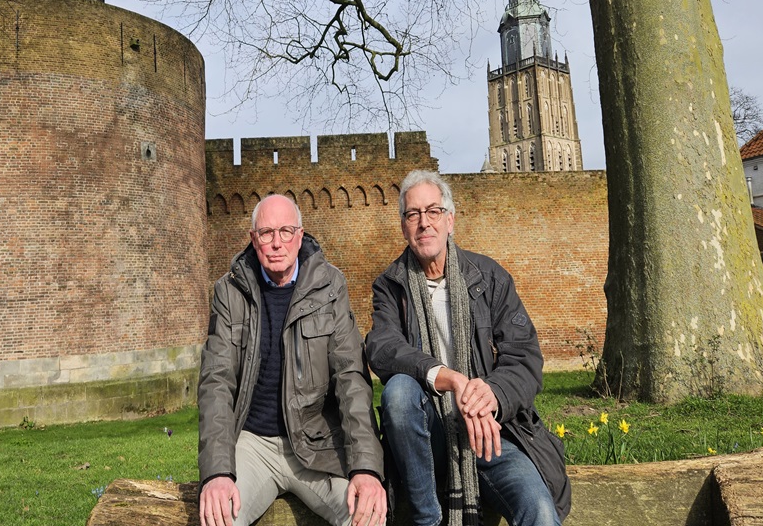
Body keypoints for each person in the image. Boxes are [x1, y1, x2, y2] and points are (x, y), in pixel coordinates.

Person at [365, 170, 571, 526]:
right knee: (398, 392)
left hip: (492, 430)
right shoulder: (391, 285)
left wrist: (491, 393)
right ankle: (428, 519)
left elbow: (525, 358)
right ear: (403, 226)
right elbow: (383, 347)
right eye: (413, 214)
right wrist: (448, 378)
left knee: (538, 510)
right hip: (427, 434)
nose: (423, 223)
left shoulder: (489, 278)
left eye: (433, 212)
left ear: (450, 220)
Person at [198, 194, 386, 526]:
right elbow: (217, 381)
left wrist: (366, 468)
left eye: (286, 231)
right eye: (266, 233)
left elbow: (351, 378)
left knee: (367, 516)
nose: (276, 243)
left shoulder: (330, 286)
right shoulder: (229, 291)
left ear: (300, 236)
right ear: (253, 240)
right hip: (253, 444)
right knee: (218, 519)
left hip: (317, 445)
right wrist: (217, 472)